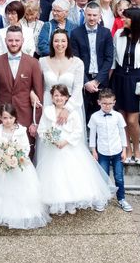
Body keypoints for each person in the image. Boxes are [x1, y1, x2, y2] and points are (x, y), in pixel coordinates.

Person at [0, 103, 50, 229]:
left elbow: (26, 147)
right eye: (5, 118)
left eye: (11, 118)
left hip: (18, 164)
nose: (8, 121)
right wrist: (0, 157)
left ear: (15, 118)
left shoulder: (20, 131)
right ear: (0, 118)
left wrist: (17, 157)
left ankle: (18, 214)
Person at [36, 84, 114, 214]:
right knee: (54, 175)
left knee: (70, 174)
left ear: (67, 97)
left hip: (69, 147)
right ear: (51, 97)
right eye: (56, 95)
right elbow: (42, 129)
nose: (59, 98)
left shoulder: (72, 112)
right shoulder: (47, 111)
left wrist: (65, 141)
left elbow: (77, 131)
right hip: (52, 149)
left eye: (61, 95)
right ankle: (56, 202)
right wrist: (51, 140)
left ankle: (71, 202)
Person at [0, 26, 43, 149]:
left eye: (17, 40)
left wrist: (36, 122)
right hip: (2, 115)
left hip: (25, 115)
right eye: (10, 40)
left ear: (22, 40)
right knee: (1, 150)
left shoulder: (33, 62)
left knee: (26, 151)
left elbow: (39, 94)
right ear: (5, 40)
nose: (13, 43)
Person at [110, 7, 140, 156]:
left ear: (135, 20)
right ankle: (127, 148)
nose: (122, 20)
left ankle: (137, 148)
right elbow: (113, 61)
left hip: (136, 79)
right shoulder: (118, 34)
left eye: (126, 18)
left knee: (132, 119)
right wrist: (108, 81)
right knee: (122, 117)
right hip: (119, 77)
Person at [88, 88, 132, 212]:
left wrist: (124, 150)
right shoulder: (94, 117)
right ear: (99, 102)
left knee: (119, 177)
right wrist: (93, 150)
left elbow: (123, 134)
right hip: (102, 152)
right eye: (104, 103)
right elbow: (92, 136)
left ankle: (121, 199)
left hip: (117, 151)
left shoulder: (118, 116)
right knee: (103, 177)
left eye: (109, 103)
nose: (107, 106)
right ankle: (103, 198)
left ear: (114, 102)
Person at [70, 1, 114, 120]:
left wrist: (97, 81)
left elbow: (109, 58)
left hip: (101, 79)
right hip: (83, 79)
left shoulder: (106, 33)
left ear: (100, 16)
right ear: (85, 14)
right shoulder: (75, 33)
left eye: (95, 15)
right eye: (89, 15)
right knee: (82, 114)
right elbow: (75, 59)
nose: (92, 18)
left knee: (102, 113)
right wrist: (86, 82)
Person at [40, 29, 86, 135]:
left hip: (71, 104)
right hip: (48, 104)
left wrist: (67, 109)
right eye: (56, 41)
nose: (60, 44)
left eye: (63, 41)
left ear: (68, 42)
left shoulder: (77, 63)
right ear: (51, 43)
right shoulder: (42, 62)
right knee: (49, 135)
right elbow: (37, 84)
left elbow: (78, 88)